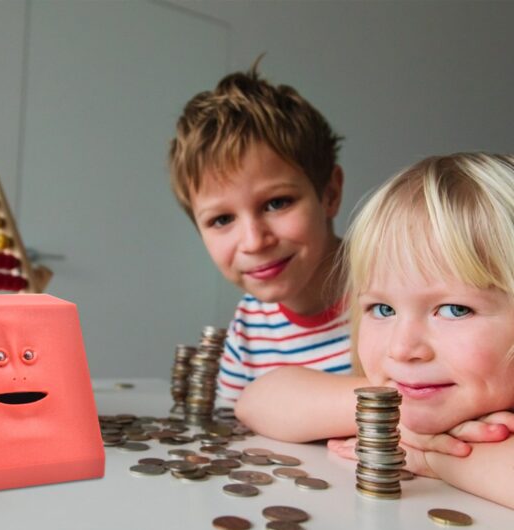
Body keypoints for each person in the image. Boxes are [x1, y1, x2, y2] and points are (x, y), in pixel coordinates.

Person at [168, 60, 509, 450]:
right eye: (221, 219)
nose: (253, 240)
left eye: (277, 203)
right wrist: (399, 411)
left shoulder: (404, 291)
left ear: (329, 194)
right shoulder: (249, 323)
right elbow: (245, 415)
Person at [328, 152, 514, 509]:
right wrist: (381, 415)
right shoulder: (393, 396)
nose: (402, 348)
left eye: (454, 310)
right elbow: (261, 400)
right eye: (382, 309)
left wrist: (433, 458)